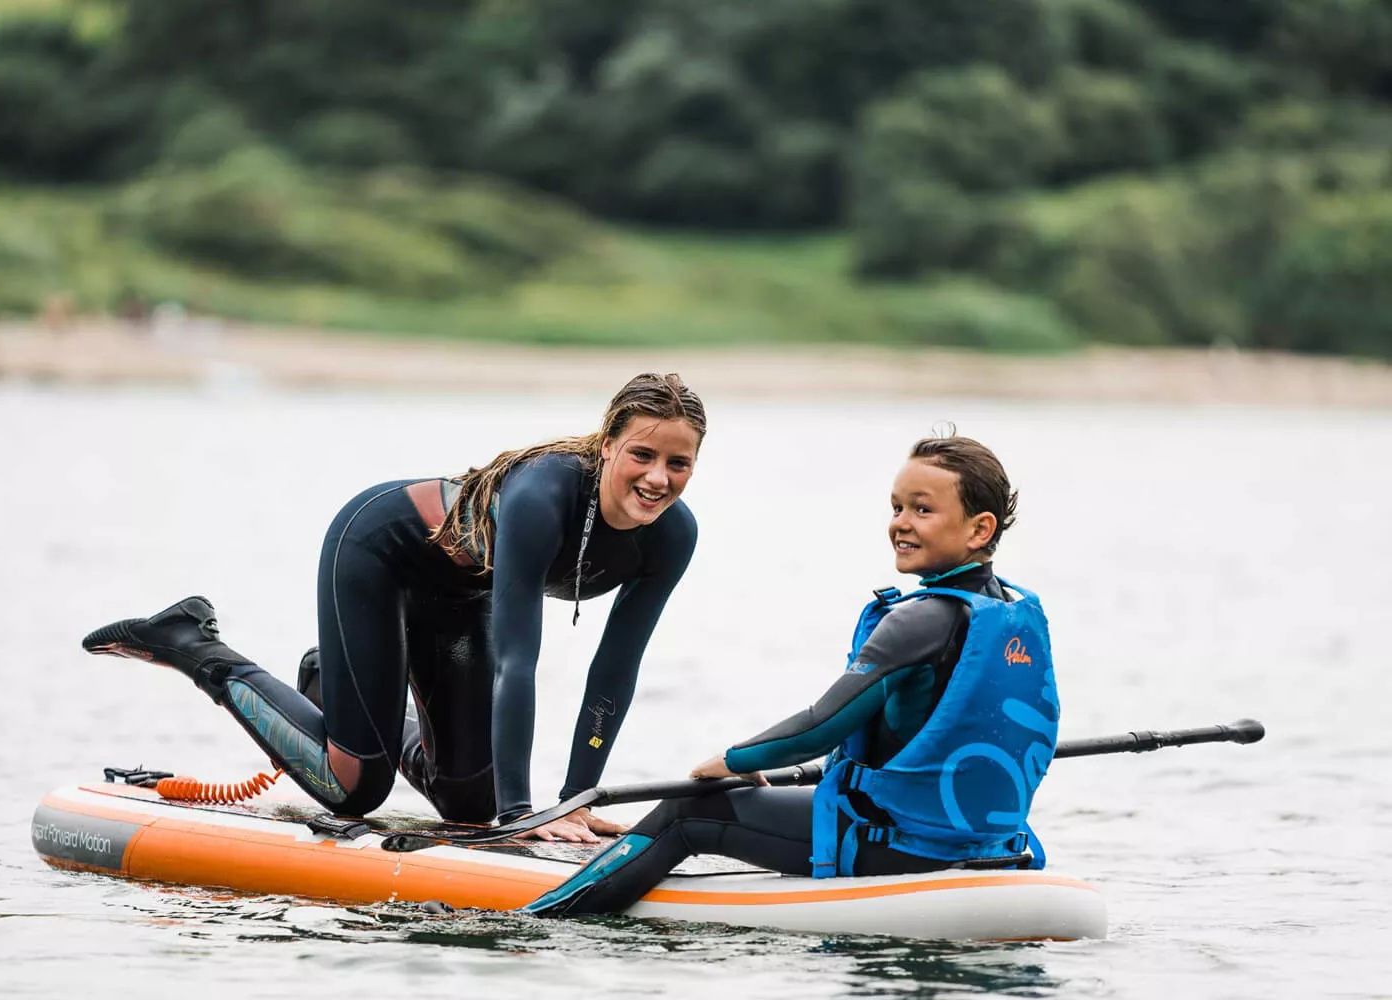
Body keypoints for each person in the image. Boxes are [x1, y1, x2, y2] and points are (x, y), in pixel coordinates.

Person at [83, 373, 705, 843]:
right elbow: (517, 663)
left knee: (468, 804)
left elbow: (614, 670)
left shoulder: (672, 537)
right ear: (607, 446)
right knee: (353, 789)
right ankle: (192, 644)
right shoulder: (543, 496)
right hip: (379, 551)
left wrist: (578, 799)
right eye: (642, 455)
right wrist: (524, 816)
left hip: (459, 597)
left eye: (678, 463)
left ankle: (332, 685)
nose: (658, 478)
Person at [526, 432, 1059, 914]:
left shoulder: (921, 617)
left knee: (687, 810)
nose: (900, 523)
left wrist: (732, 760)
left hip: (893, 843)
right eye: (897, 506)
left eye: (923, 510)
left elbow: (817, 727)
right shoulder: (1012, 614)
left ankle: (546, 914)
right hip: (986, 841)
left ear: (979, 529)